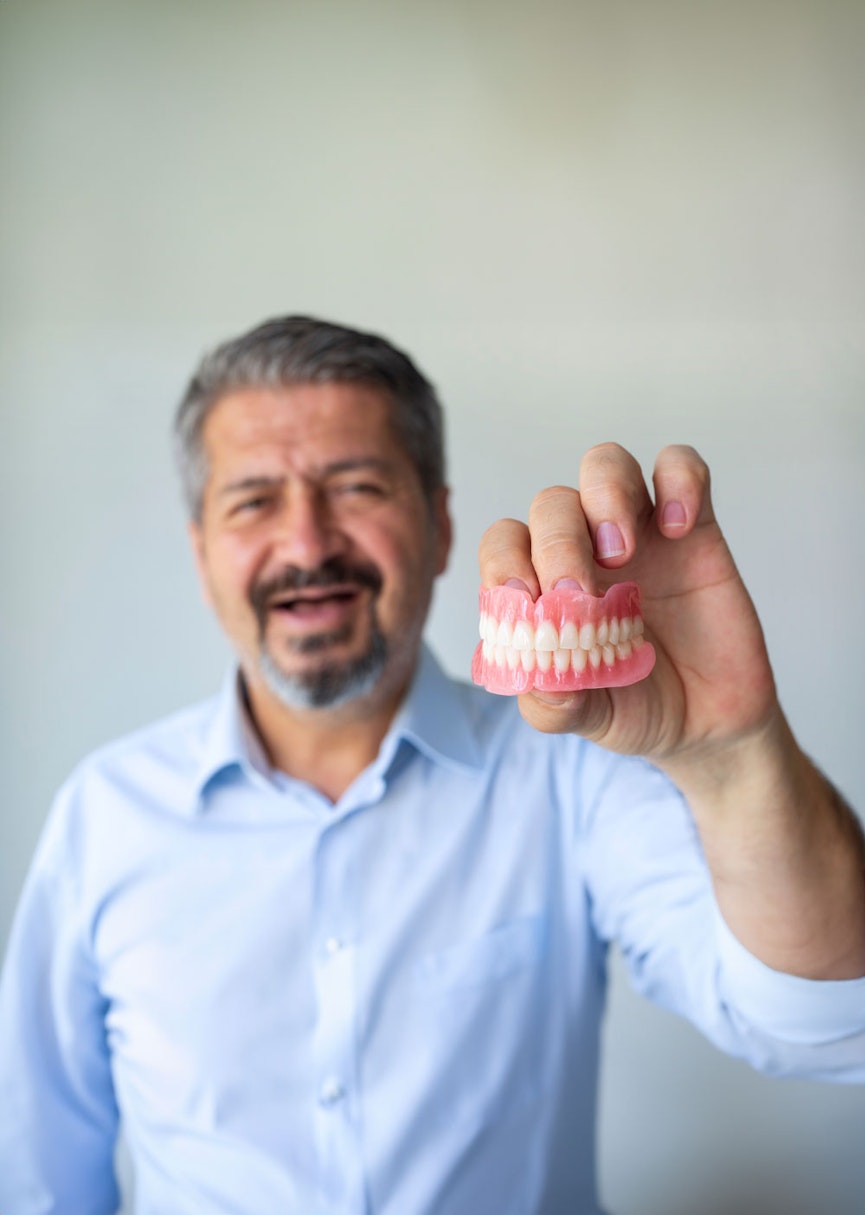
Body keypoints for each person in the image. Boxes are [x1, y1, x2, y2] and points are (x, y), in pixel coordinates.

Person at [1, 315, 863, 1215]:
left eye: (357, 485)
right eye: (253, 500)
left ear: (441, 527)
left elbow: (826, 1022)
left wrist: (733, 751)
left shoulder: (568, 772)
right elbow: (36, 1184)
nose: (306, 543)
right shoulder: (104, 817)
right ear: (201, 550)